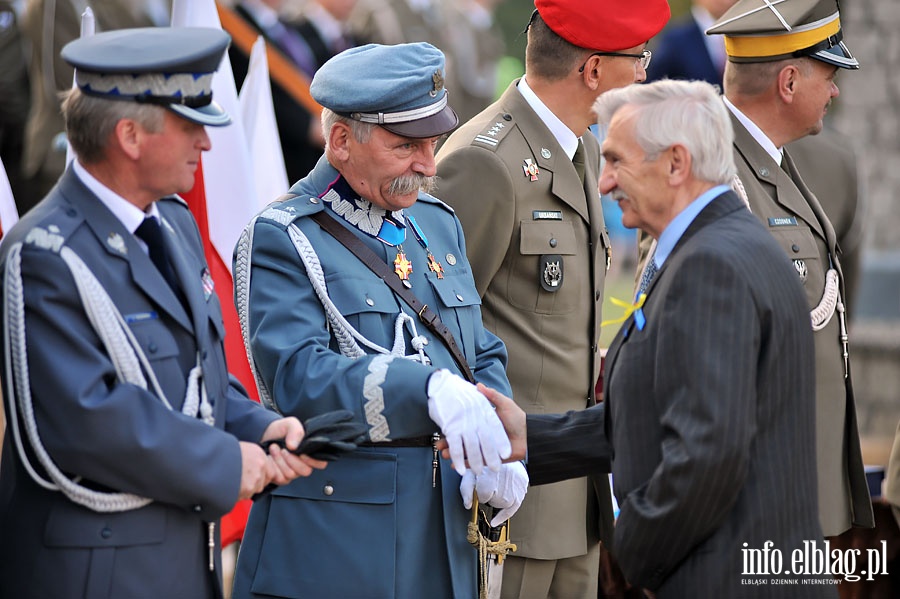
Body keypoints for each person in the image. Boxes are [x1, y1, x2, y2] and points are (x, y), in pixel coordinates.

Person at [465, 78, 827, 597]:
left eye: (616, 161)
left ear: (676, 164)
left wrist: (633, 547)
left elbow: (706, 454)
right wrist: (533, 437)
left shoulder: (710, 266)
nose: (605, 183)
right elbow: (662, 413)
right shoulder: (719, 246)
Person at [0, 27, 325, 599]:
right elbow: (88, 421)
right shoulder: (43, 254)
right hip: (95, 573)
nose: (206, 143)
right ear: (129, 135)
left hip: (176, 558)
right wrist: (227, 462)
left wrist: (259, 426)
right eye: (189, 125)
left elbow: (194, 378)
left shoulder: (172, 223)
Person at [230, 42, 523, 599]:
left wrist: (498, 440)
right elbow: (299, 378)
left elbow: (477, 348)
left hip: (444, 533)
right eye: (407, 145)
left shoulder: (436, 223)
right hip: (343, 543)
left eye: (433, 143)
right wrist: (426, 390)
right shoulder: (283, 237)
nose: (429, 165)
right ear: (341, 141)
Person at [434, 0, 669, 597]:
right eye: (637, 58)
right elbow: (439, 329)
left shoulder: (580, 146)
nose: (645, 72)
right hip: (509, 504)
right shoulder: (483, 161)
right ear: (592, 71)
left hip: (575, 494)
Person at [707, 0, 874, 538]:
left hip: (799, 494)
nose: (835, 91)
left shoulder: (775, 159)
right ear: (788, 81)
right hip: (758, 504)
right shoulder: (713, 176)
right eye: (828, 74)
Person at [228, 0, 359, 182]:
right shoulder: (233, 23)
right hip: (275, 156)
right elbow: (254, 91)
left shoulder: (284, 27)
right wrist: (307, 125)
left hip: (307, 152)